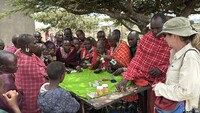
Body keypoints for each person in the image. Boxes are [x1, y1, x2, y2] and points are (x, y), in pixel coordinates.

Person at [116, 13, 170, 113]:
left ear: (165, 25)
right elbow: (137, 60)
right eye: (152, 28)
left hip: (164, 82)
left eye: (158, 28)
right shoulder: (146, 38)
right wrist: (126, 78)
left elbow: (175, 62)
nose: (155, 31)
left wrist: (161, 69)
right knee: (147, 107)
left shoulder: (171, 39)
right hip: (144, 79)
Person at [152, 17, 200, 112]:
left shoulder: (190, 56)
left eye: (165, 35)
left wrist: (160, 88)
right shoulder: (177, 54)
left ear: (174, 35)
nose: (164, 38)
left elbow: (187, 92)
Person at [15, 34, 47, 113]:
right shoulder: (25, 61)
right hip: (30, 97)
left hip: (31, 96)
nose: (37, 45)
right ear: (27, 46)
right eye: (34, 43)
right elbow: (41, 78)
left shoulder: (30, 55)